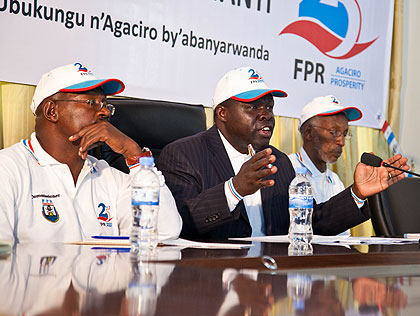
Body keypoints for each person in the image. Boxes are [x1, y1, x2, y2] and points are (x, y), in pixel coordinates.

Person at [158, 66, 408, 241]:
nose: (265, 114)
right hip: (214, 288)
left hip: (272, 284)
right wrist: (234, 189)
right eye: (253, 107)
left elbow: (311, 224)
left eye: (268, 107)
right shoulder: (183, 154)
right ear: (222, 113)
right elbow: (179, 224)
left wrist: (357, 193)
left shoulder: (278, 161)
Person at [0, 62, 182, 243]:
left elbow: (163, 232)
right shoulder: (8, 169)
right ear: (51, 111)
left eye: (105, 103)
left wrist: (133, 154)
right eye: (91, 102)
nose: (104, 112)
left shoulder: (106, 175)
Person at [288, 95, 362, 236]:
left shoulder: (335, 181)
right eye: (334, 132)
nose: (341, 141)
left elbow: (343, 237)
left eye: (344, 133)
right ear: (309, 132)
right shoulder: (287, 170)